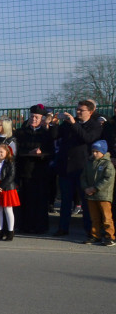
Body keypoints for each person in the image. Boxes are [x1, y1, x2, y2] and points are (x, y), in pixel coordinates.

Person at [54, 100, 103, 238]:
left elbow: (87, 138)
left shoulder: (94, 126)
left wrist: (74, 124)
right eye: (77, 109)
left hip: (83, 169)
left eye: (82, 110)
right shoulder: (69, 123)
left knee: (86, 201)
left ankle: (89, 229)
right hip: (66, 168)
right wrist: (53, 123)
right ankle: (63, 228)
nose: (78, 112)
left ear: (90, 112)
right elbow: (55, 135)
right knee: (65, 200)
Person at [15, 104, 55, 234]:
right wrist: (29, 152)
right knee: (25, 200)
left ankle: (40, 227)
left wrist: (41, 153)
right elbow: (17, 151)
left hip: (40, 172)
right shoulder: (21, 132)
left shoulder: (46, 133)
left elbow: (51, 152)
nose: (33, 119)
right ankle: (25, 226)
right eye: (32, 116)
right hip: (25, 171)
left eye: (37, 117)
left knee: (40, 201)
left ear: (42, 119)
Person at [80, 140, 114, 246]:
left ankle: (110, 237)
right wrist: (86, 188)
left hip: (103, 195)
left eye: (97, 151)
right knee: (94, 217)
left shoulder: (107, 164)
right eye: (93, 151)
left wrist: (95, 188)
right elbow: (83, 177)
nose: (94, 153)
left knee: (106, 217)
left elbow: (108, 178)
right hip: (91, 195)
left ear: (103, 152)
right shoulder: (89, 163)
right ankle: (95, 235)